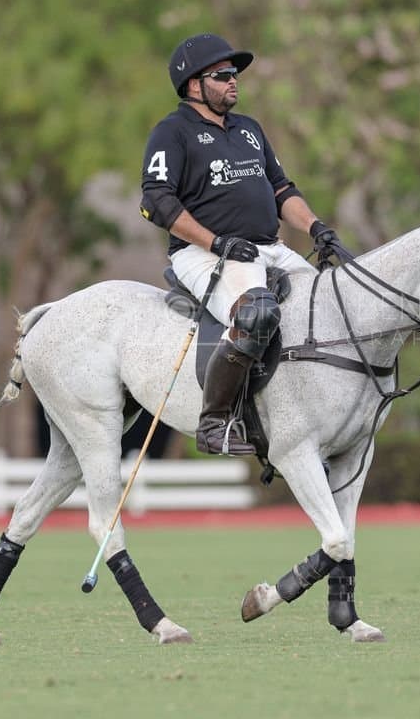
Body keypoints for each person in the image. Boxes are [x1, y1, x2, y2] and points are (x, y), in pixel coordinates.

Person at [139, 33, 344, 455]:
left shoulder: (248, 129)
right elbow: (156, 201)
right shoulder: (172, 132)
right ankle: (215, 422)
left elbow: (281, 190)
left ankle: (314, 417)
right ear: (194, 85)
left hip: (264, 247)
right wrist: (217, 243)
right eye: (223, 75)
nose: (234, 81)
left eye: (235, 74)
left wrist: (317, 227)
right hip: (201, 254)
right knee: (256, 314)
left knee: (329, 304)